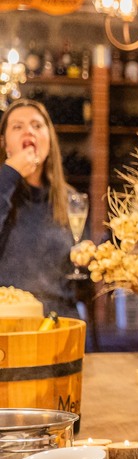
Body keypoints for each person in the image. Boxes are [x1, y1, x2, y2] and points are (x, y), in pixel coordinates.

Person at [0, 99, 77, 316]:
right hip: (9, 322)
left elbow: (80, 271)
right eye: (18, 127)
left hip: (58, 321)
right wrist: (10, 174)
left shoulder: (69, 198)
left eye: (37, 125)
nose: (29, 131)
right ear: (5, 143)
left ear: (49, 139)